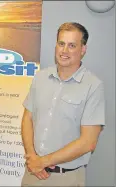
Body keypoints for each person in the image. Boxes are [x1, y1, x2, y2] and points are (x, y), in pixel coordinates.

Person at [21, 22, 105, 186]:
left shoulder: (93, 86)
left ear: (83, 50)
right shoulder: (41, 77)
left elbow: (88, 142)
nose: (64, 50)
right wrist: (32, 157)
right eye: (61, 44)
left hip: (66, 178)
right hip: (32, 173)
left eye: (72, 45)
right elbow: (27, 118)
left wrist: (44, 161)